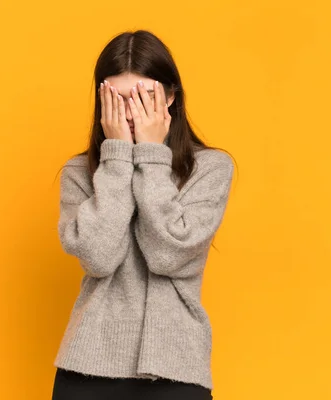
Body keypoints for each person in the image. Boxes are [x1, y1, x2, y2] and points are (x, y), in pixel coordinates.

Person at [51, 29, 235, 400]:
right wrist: (118, 156)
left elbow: (169, 255)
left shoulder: (210, 168)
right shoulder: (79, 172)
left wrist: (150, 156)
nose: (131, 113)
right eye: (117, 100)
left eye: (144, 97)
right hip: (88, 365)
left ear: (170, 96)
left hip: (176, 365)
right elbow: (99, 258)